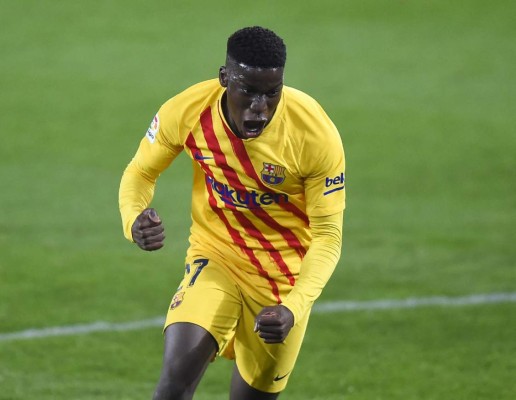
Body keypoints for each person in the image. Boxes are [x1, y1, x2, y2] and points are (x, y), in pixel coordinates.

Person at [119, 26, 346, 400]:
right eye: (249, 91)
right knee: (175, 380)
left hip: (283, 280)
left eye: (272, 93)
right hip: (217, 256)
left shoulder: (314, 135)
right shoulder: (188, 111)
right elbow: (140, 171)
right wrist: (134, 218)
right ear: (224, 78)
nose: (260, 107)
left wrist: (293, 307)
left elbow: (328, 236)